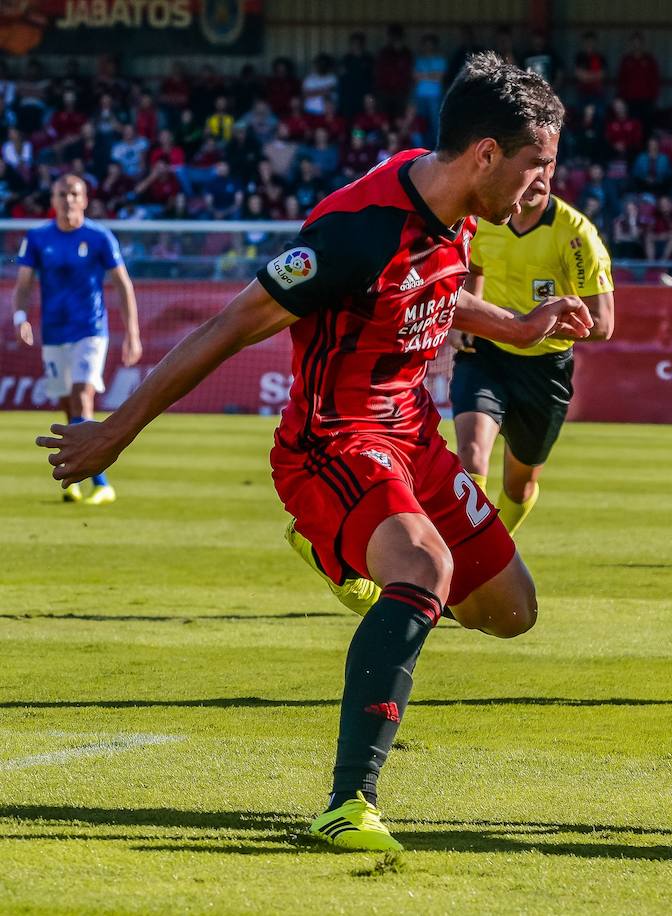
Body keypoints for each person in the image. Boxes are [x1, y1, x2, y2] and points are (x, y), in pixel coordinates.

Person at [37, 52, 592, 853]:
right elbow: (227, 327)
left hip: (413, 434)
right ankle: (347, 803)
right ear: (484, 154)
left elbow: (432, 288)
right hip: (332, 441)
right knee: (424, 571)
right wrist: (113, 432)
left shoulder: (457, 203)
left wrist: (511, 325)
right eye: (536, 166)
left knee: (512, 613)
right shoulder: (351, 235)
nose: (543, 184)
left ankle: (350, 559)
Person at [449, 175, 614, 534]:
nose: (537, 178)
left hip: (545, 368)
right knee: (471, 453)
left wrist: (533, 326)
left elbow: (603, 323)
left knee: (518, 486)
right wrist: (470, 320)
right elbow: (475, 268)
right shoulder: (485, 220)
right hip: (486, 352)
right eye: (530, 167)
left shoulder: (575, 233)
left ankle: (495, 544)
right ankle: (465, 553)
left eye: (546, 168)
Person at [12, 174, 141, 504]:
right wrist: (20, 317)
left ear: (84, 200)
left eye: (74, 193)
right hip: (54, 333)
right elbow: (24, 284)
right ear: (52, 200)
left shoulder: (99, 237)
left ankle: (101, 485)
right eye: (61, 194)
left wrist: (132, 334)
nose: (68, 199)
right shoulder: (38, 237)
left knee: (83, 397)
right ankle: (74, 476)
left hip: (90, 331)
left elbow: (123, 285)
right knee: (67, 405)